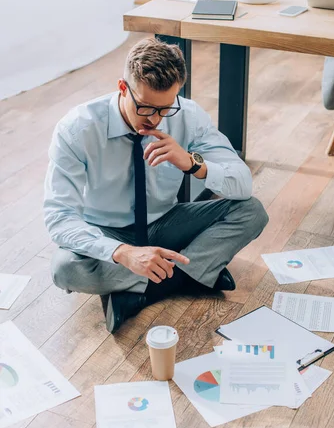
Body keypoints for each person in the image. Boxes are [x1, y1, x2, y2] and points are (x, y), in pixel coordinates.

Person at [44, 38, 268, 333]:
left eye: (165, 109)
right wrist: (122, 252)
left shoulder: (188, 115)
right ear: (122, 88)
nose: (155, 118)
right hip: (106, 231)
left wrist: (192, 163)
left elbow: (243, 185)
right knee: (64, 268)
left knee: (251, 212)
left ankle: (138, 292)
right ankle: (195, 275)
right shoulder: (77, 129)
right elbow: (59, 217)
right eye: (145, 107)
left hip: (163, 222)